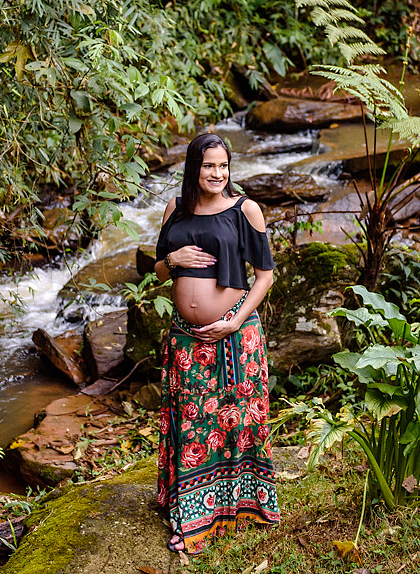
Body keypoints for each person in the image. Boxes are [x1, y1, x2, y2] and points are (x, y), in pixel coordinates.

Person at [152, 132, 279, 554]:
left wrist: (233, 320)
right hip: (186, 340)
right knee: (191, 421)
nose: (217, 173)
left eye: (223, 166)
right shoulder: (176, 209)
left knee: (234, 421)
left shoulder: (246, 210)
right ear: (194, 167)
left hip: (233, 338)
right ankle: (191, 511)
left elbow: (265, 276)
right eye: (209, 166)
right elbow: (156, 272)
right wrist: (173, 260)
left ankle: (239, 506)